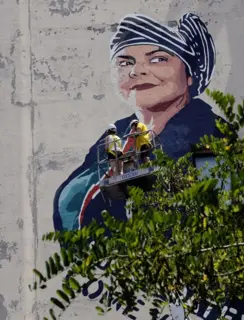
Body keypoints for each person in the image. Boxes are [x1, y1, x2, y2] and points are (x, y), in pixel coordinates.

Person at [53, 13, 225, 232]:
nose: (137, 71)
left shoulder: (210, 131)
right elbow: (72, 201)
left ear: (189, 74)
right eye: (125, 62)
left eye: (158, 59)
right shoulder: (117, 133)